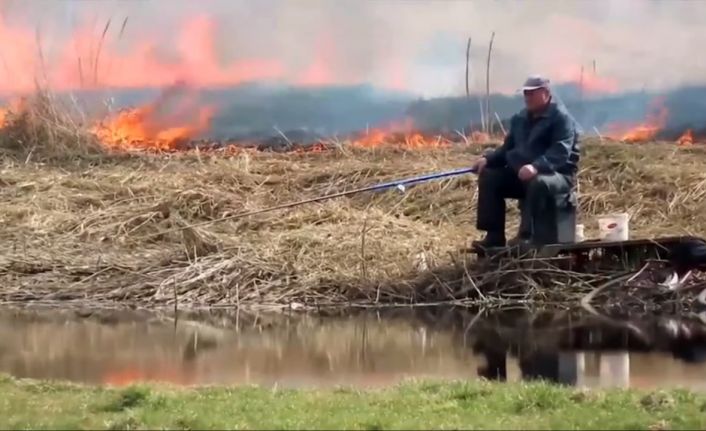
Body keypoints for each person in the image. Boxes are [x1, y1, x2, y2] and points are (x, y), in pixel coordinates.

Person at [472, 75, 580, 248]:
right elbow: (507, 149)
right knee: (490, 177)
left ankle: (527, 236)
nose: (527, 98)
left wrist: (536, 166)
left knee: (537, 182)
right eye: (525, 94)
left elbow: (561, 151)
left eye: (532, 94)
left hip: (557, 176)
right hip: (523, 175)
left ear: (545, 93)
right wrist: (488, 159)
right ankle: (493, 236)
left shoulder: (561, 118)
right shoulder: (520, 119)